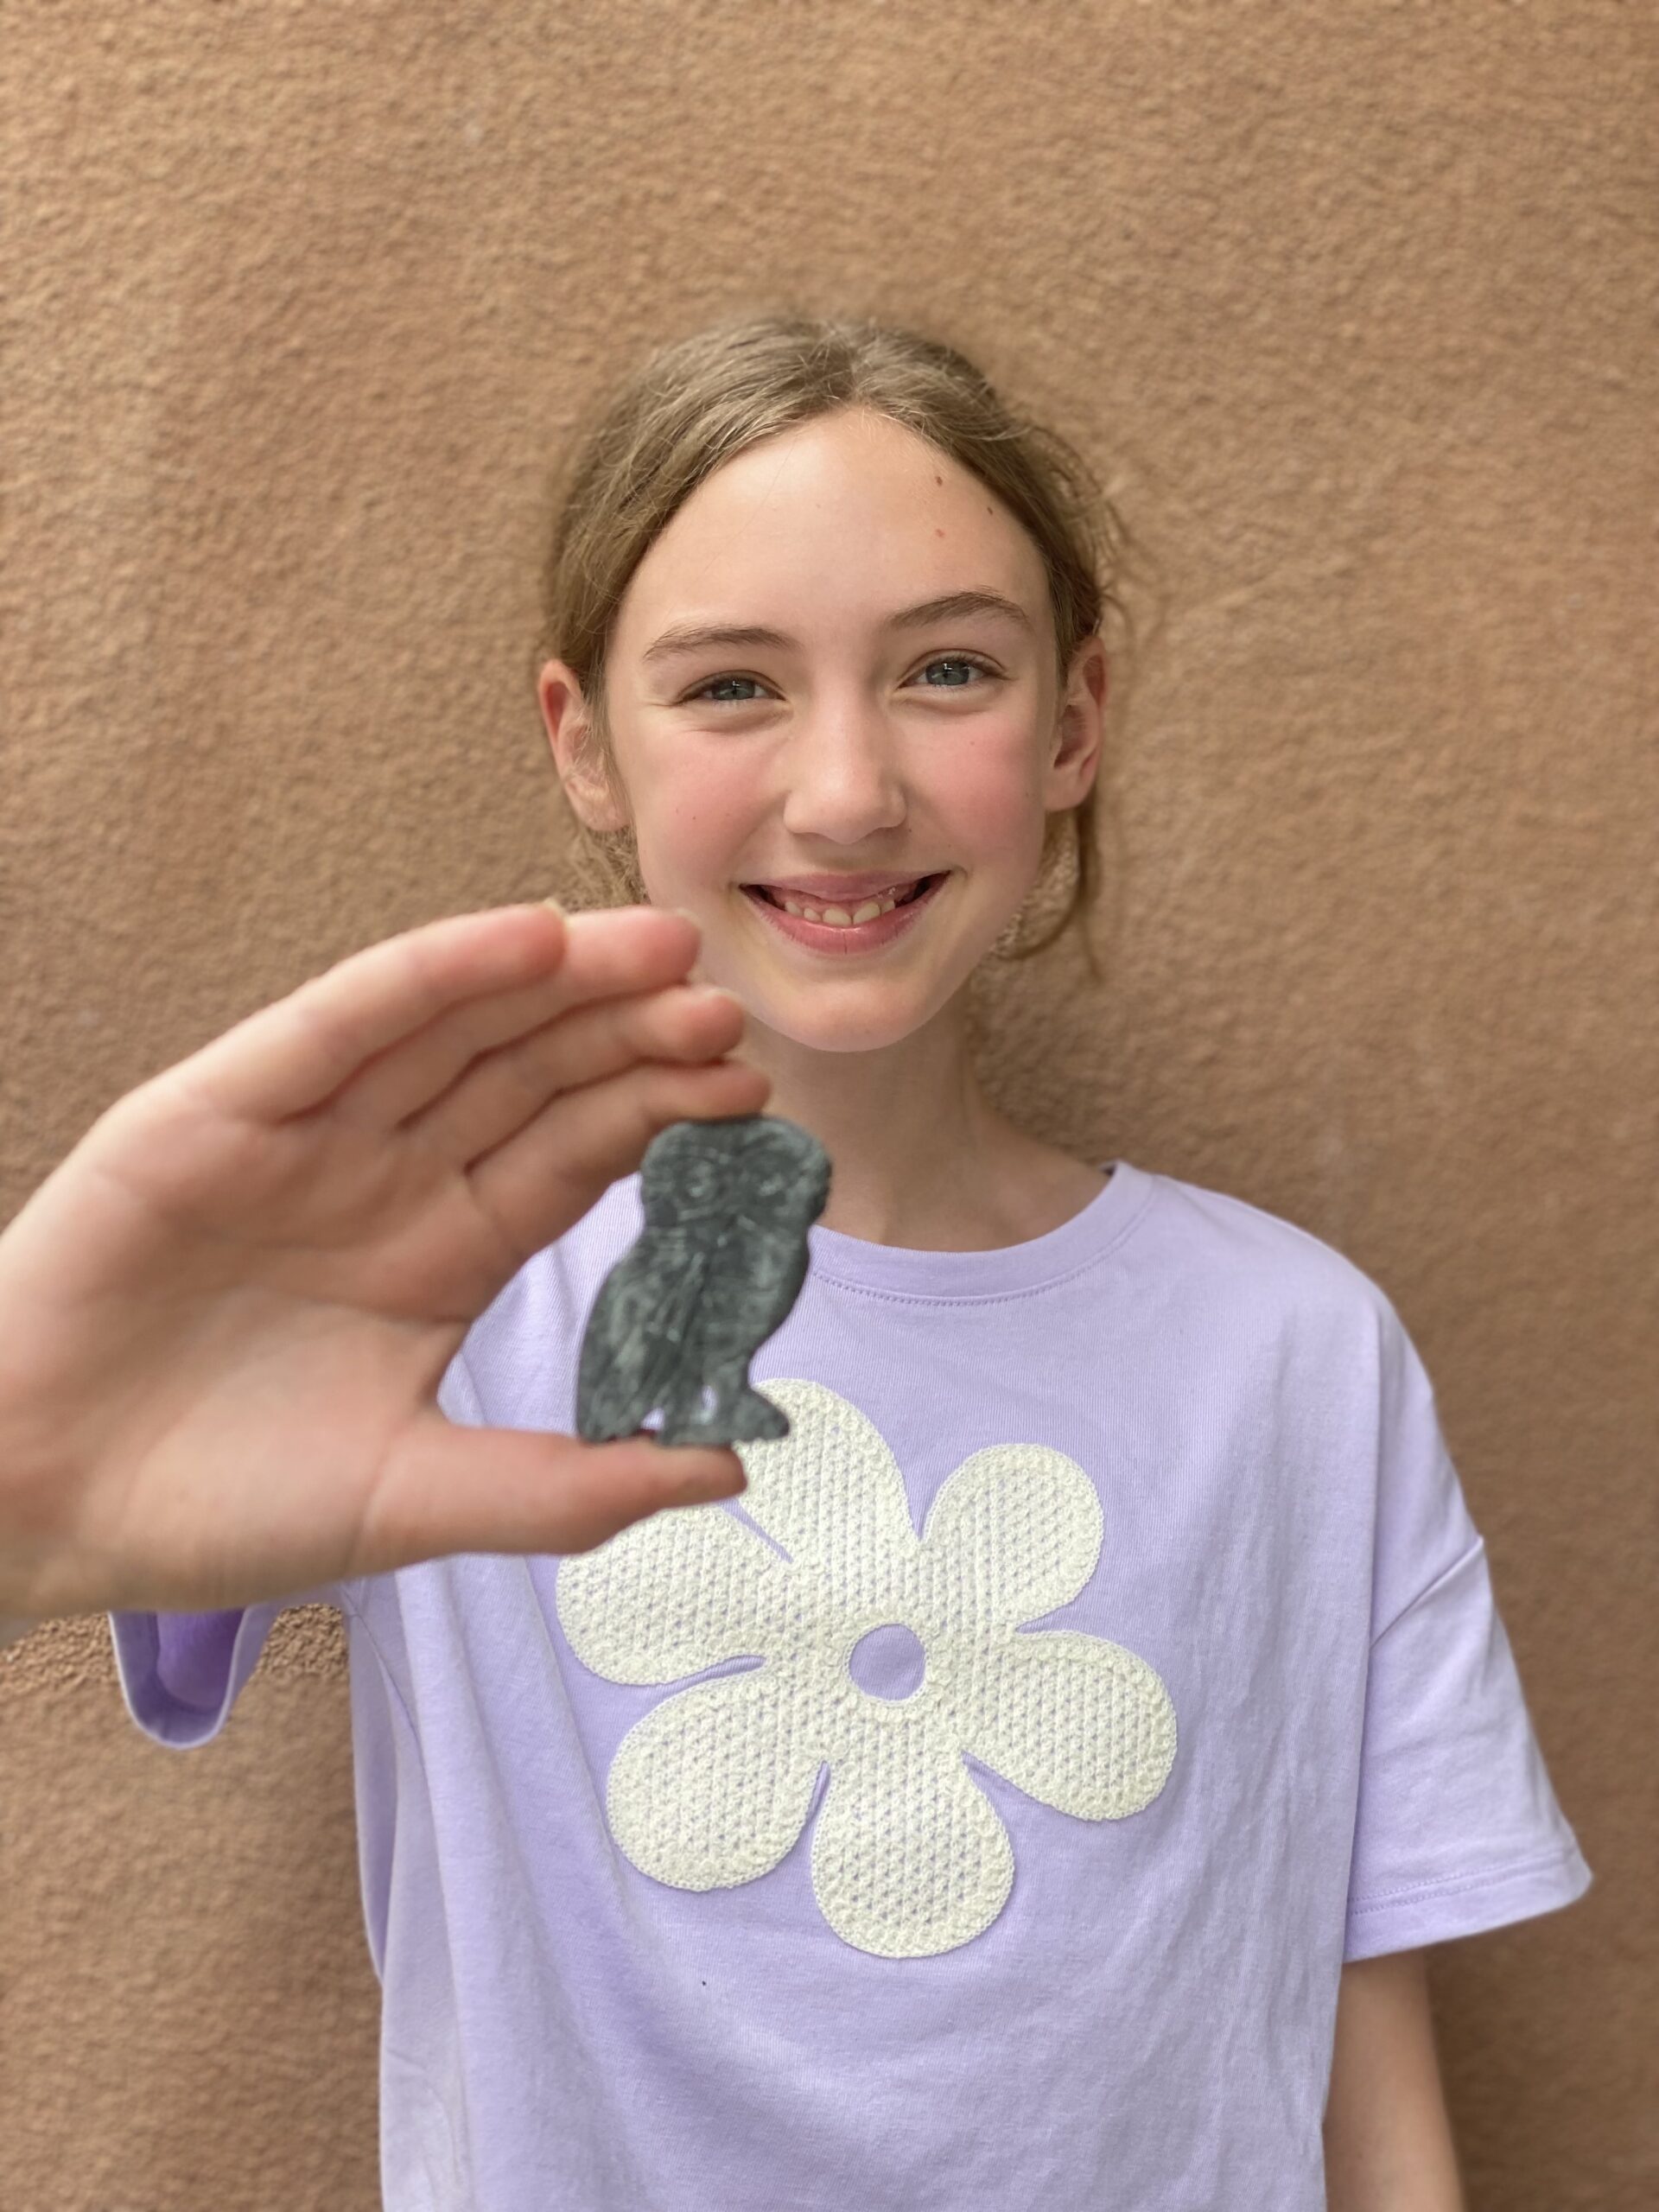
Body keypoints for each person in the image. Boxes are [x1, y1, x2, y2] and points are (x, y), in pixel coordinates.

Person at [0, 314, 1591, 2210]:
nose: (845, 791)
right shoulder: (435, 1305)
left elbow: (1361, 2074)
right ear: (584, 741)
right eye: (733, 686)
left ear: (1074, 719)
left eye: (945, 668)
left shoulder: (1298, 1352)